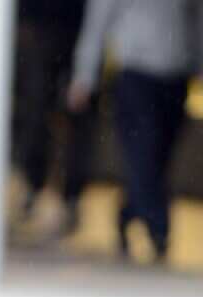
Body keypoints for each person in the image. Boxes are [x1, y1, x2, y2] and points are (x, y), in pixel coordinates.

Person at [69, 0, 203, 262]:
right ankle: (159, 228)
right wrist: (84, 76)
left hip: (177, 75)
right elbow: (98, 21)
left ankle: (130, 212)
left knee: (159, 157)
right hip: (135, 74)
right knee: (144, 151)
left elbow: (197, 19)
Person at [11, 0, 96, 238]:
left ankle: (67, 195)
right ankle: (33, 186)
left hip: (68, 31)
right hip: (42, 31)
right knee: (36, 116)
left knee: (72, 117)